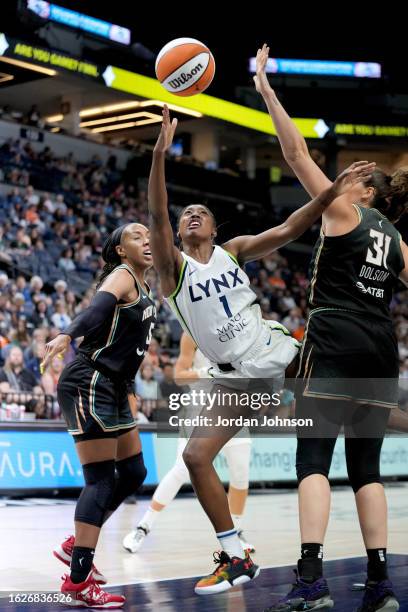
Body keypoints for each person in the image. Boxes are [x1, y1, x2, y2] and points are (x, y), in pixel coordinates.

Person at [148, 104, 375, 595]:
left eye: (201, 213)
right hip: (235, 377)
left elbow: (291, 228)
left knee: (359, 408)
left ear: (213, 229)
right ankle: (236, 554)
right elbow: (155, 215)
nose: (191, 215)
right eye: (186, 213)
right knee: (195, 456)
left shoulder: (235, 250)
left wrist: (332, 190)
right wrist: (160, 156)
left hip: (275, 350)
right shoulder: (172, 270)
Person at [254, 43, 408, 612]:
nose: (343, 186)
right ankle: (380, 582)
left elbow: (295, 155)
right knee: (367, 469)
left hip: (335, 339)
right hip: (381, 349)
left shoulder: (345, 211)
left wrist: (268, 90)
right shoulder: (398, 241)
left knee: (312, 460)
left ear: (367, 194)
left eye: (354, 182)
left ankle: (313, 579)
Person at [41, 222, 156, 609]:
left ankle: (77, 543)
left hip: (115, 386)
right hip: (90, 379)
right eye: (136, 236)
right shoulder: (121, 277)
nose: (146, 240)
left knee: (136, 472)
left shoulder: (145, 286)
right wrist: (67, 334)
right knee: (101, 481)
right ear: (121, 251)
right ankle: (77, 582)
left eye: (148, 235)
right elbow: (96, 311)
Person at [123, 332, 255, 554]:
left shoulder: (238, 329)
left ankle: (237, 530)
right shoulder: (191, 332)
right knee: (181, 471)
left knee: (240, 473)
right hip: (199, 407)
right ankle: (143, 526)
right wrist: (208, 372)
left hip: (231, 405)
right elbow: (179, 375)